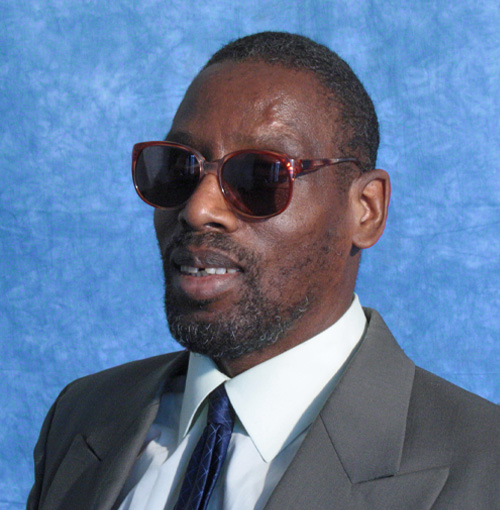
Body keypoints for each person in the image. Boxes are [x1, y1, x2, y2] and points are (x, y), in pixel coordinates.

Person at [27, 32, 500, 510]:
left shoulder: (484, 466)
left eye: (259, 176)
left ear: (366, 210)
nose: (199, 208)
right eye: (177, 167)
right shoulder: (83, 416)